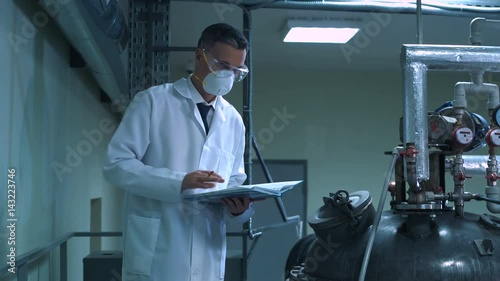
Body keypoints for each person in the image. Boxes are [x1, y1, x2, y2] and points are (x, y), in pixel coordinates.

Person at [103, 23, 254, 281]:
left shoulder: (234, 121)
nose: (228, 76)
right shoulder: (153, 102)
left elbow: (235, 181)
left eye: (236, 70)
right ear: (199, 55)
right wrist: (179, 182)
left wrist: (238, 210)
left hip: (207, 256)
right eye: (222, 66)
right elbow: (116, 165)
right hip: (159, 255)